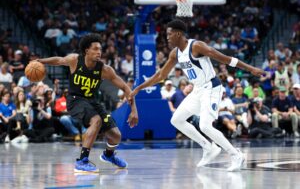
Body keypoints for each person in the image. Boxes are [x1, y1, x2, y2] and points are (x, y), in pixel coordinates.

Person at [129, 19, 264, 171]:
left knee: (205, 125)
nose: (167, 37)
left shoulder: (197, 46)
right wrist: (139, 88)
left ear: (179, 33)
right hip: (198, 90)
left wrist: (251, 68)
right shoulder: (175, 53)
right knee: (176, 120)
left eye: (169, 34)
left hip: (211, 87)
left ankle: (236, 155)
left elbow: (226, 59)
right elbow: (161, 75)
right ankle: (208, 147)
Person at [30, 33, 138, 173]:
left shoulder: (104, 69)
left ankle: (108, 155)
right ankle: (82, 161)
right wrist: (41, 61)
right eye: (95, 49)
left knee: (116, 135)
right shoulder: (75, 60)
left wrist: (134, 109)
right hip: (75, 100)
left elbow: (125, 87)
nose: (99, 52)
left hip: (93, 102)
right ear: (87, 50)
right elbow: (59, 60)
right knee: (96, 120)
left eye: (100, 49)